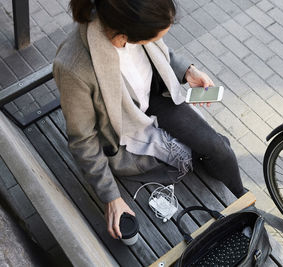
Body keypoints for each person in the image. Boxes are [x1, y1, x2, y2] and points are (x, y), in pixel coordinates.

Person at [53, 0, 246, 240]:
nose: (154, 41)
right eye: (148, 38)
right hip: (125, 130)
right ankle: (238, 201)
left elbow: (162, 53)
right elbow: (83, 141)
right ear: (125, 37)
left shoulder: (129, 23)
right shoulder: (74, 68)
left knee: (219, 147)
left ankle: (243, 199)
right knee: (196, 154)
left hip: (155, 98)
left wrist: (188, 71)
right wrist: (111, 197)